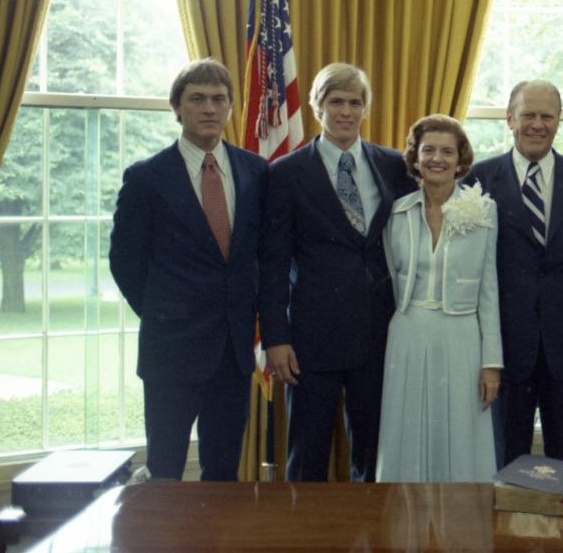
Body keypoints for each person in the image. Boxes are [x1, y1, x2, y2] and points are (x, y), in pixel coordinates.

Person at [110, 58, 268, 481]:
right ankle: (166, 550)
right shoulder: (146, 177)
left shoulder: (256, 171)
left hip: (233, 351)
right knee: (165, 468)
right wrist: (164, 312)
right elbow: (125, 262)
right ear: (177, 107)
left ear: (231, 107)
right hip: (171, 347)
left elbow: (261, 258)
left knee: (222, 471)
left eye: (219, 99)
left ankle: (218, 550)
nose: (209, 108)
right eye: (197, 99)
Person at [259, 62, 417, 482]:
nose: (346, 111)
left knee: (374, 456)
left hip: (380, 335)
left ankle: (372, 543)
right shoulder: (285, 174)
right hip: (312, 341)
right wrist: (276, 338)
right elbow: (272, 264)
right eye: (336, 102)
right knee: (307, 456)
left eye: (355, 102)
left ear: (366, 109)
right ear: (316, 107)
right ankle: (307, 544)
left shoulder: (395, 166)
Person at [465, 80, 563, 465]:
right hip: (504, 346)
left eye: (547, 116)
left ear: (559, 121)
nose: (537, 124)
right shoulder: (478, 180)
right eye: (528, 115)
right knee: (505, 459)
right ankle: (506, 529)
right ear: (510, 118)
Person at [376, 115, 502, 481]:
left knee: (462, 433)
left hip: (462, 338)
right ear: (415, 157)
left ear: (460, 159)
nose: (437, 159)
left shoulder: (483, 211)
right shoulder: (396, 213)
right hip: (407, 335)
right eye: (428, 150)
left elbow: (489, 290)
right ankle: (404, 533)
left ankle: (461, 532)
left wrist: (491, 362)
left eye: (448, 151)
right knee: (406, 431)